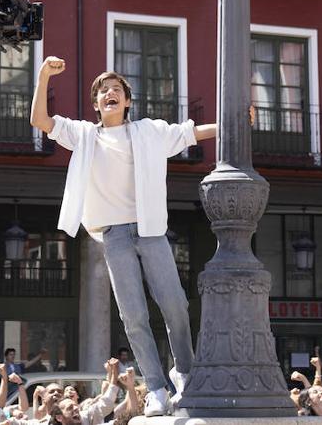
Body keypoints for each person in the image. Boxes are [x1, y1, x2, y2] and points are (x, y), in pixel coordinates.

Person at [31, 56, 220, 416]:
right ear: (96, 104)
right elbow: (40, 120)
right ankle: (157, 389)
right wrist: (43, 77)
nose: (109, 93)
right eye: (103, 91)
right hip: (114, 235)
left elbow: (191, 133)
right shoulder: (84, 135)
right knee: (133, 316)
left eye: (116, 89)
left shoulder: (149, 131)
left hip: (150, 230)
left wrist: (232, 125)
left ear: (127, 101)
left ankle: (184, 372)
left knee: (175, 305)